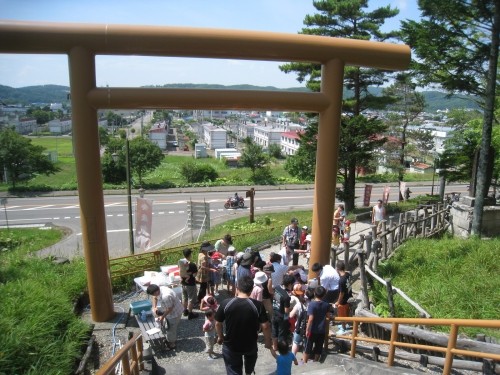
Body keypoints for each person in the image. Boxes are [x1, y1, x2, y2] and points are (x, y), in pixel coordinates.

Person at [215, 275, 272, 375]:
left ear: (237, 287)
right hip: (250, 344)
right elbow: (265, 326)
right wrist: (268, 341)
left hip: (231, 345)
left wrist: (220, 337)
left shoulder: (226, 303)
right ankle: (249, 372)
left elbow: (218, 323)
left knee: (233, 370)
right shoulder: (257, 305)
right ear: (251, 290)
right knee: (249, 367)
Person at [146, 283, 185, 350]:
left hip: (175, 313)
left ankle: (172, 344)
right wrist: (154, 307)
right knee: (169, 327)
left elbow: (170, 309)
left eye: (153, 294)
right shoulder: (160, 288)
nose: (153, 295)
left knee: (171, 328)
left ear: (156, 291)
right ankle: (170, 340)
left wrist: (162, 317)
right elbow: (154, 297)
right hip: (169, 310)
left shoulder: (166, 296)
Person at [303, 286, 333, 363]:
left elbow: (310, 319)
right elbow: (328, 315)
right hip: (322, 330)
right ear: (324, 295)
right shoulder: (326, 305)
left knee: (307, 348)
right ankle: (316, 361)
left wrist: (307, 329)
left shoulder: (312, 304)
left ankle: (304, 362)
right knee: (318, 347)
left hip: (312, 330)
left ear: (314, 294)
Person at [271, 274, 295, 350]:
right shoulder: (286, 297)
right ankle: (282, 349)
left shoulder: (277, 287)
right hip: (281, 317)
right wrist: (287, 319)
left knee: (274, 331)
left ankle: (274, 346)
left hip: (274, 313)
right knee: (281, 334)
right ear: (290, 284)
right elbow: (286, 311)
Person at [178, 248, 199, 319]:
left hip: (183, 283)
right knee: (191, 299)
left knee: (185, 297)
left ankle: (185, 311)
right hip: (191, 284)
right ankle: (190, 313)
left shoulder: (181, 263)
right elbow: (194, 275)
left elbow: (180, 272)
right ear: (190, 255)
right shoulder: (192, 265)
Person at [334, 260, 352, 334]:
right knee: (346, 312)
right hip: (349, 296)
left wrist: (338, 302)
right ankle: (346, 325)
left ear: (337, 269)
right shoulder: (348, 274)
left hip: (343, 300)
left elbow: (342, 293)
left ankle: (343, 328)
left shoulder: (341, 280)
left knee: (341, 314)